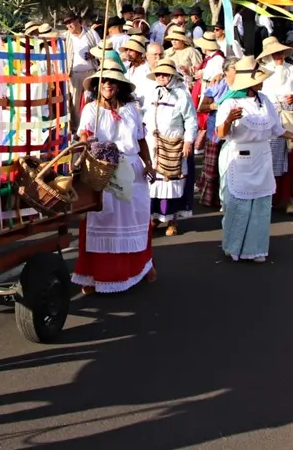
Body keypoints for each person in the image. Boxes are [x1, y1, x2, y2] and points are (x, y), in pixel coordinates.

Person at [215, 59, 293, 262]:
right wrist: (229, 120)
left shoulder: (264, 100)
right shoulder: (230, 102)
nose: (263, 81)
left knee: (260, 205)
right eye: (259, 78)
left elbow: (276, 129)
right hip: (240, 156)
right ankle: (234, 247)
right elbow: (221, 133)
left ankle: (256, 249)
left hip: (262, 157)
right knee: (239, 205)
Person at [76, 66, 158, 293]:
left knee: (136, 219)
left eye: (112, 81)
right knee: (102, 219)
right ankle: (94, 276)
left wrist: (148, 163)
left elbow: (140, 139)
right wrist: (85, 140)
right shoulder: (91, 110)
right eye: (103, 81)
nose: (107, 85)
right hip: (104, 170)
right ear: (97, 86)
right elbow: (83, 135)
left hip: (132, 170)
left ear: (120, 86)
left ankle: (142, 267)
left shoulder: (132, 110)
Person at [142, 59, 198, 235]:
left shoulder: (182, 95)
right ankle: (154, 218)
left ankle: (172, 220)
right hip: (153, 145)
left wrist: (188, 141)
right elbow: (144, 114)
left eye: (165, 74)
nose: (161, 77)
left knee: (172, 182)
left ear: (172, 76)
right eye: (159, 74)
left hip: (173, 145)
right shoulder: (152, 93)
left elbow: (191, 120)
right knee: (154, 182)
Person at [259, 37, 293, 216]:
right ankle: (271, 198)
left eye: (280, 52)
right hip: (270, 116)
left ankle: (289, 199)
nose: (278, 56)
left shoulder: (292, 69)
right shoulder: (263, 71)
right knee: (271, 159)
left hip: (289, 115)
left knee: (291, 157)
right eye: (274, 53)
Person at [196, 58, 239, 210]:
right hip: (215, 131)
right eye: (235, 69)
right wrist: (217, 105)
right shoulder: (218, 85)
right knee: (213, 167)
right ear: (226, 71)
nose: (238, 72)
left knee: (233, 167)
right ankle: (211, 199)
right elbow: (202, 107)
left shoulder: (244, 85)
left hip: (237, 133)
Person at [62, 13, 101, 122]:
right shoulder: (65, 37)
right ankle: (76, 126)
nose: (69, 25)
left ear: (77, 21)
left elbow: (101, 48)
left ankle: (91, 124)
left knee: (92, 99)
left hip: (91, 72)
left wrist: (93, 54)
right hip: (74, 74)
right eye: (66, 23)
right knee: (75, 101)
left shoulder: (91, 33)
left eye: (70, 22)